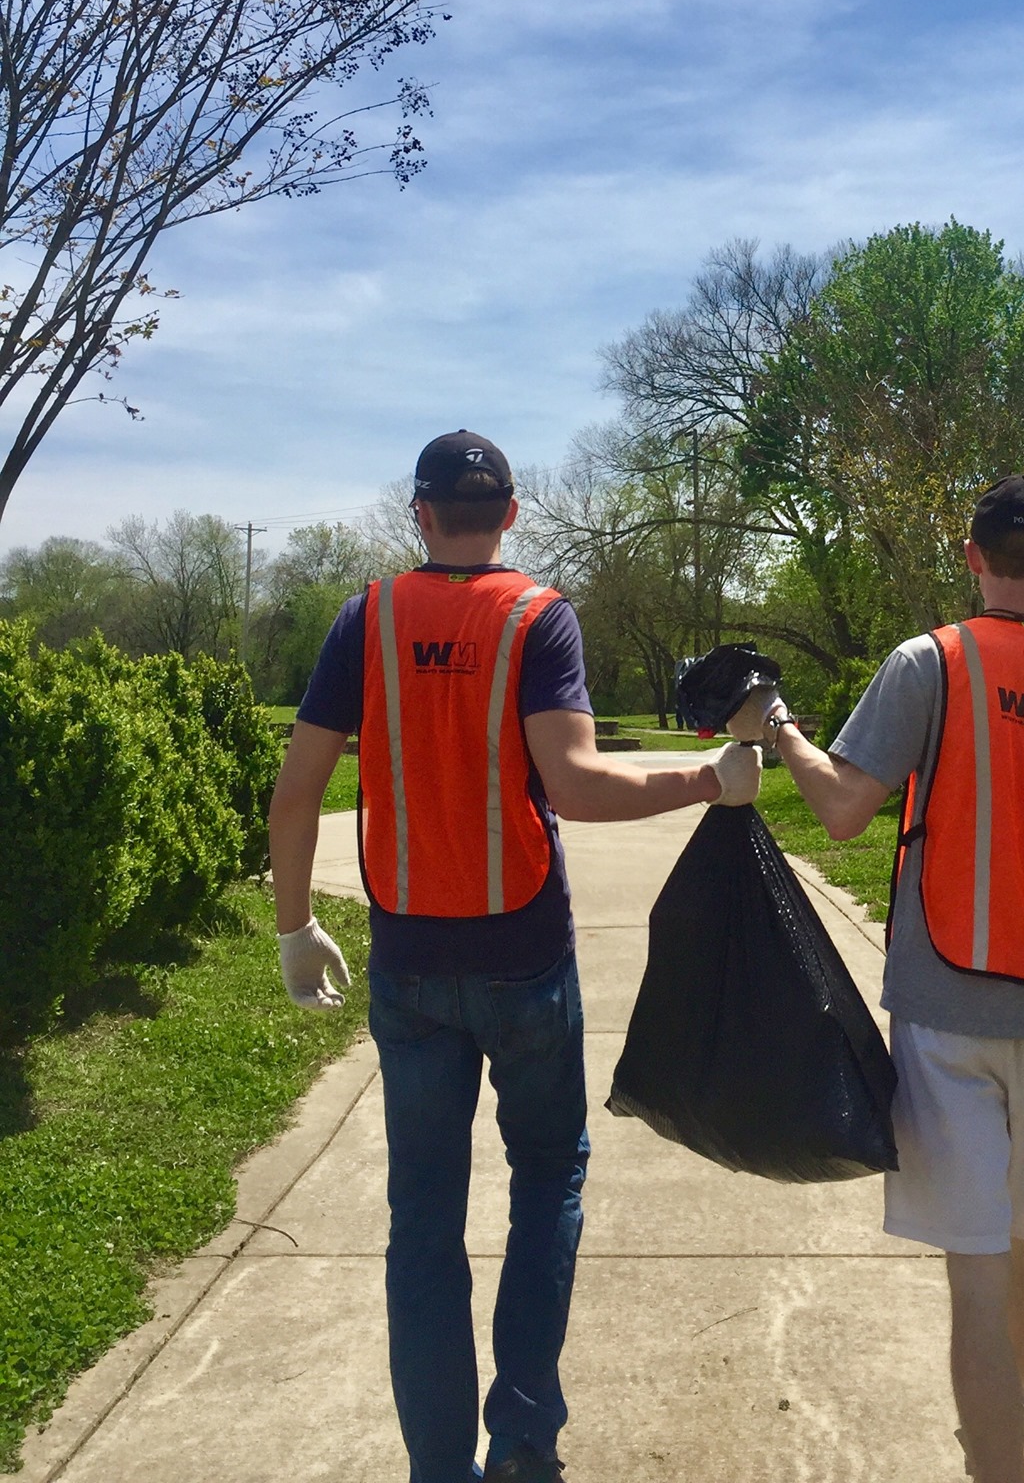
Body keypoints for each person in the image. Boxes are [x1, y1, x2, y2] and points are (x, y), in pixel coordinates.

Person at [267, 430, 761, 1483]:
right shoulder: (538, 617)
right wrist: (708, 780)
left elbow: (298, 786)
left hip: (409, 962)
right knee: (547, 1176)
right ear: (512, 511)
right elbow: (578, 785)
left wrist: (293, 924)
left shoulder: (369, 616)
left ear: (420, 513)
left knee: (423, 1220)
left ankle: (438, 1466)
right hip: (526, 955)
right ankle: (524, 1438)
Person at [727, 474, 1024, 1483]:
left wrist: (779, 729)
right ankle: (998, 1418)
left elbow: (846, 808)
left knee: (977, 1282)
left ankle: (994, 1438)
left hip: (945, 1013)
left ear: (974, 557)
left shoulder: (927, 663)